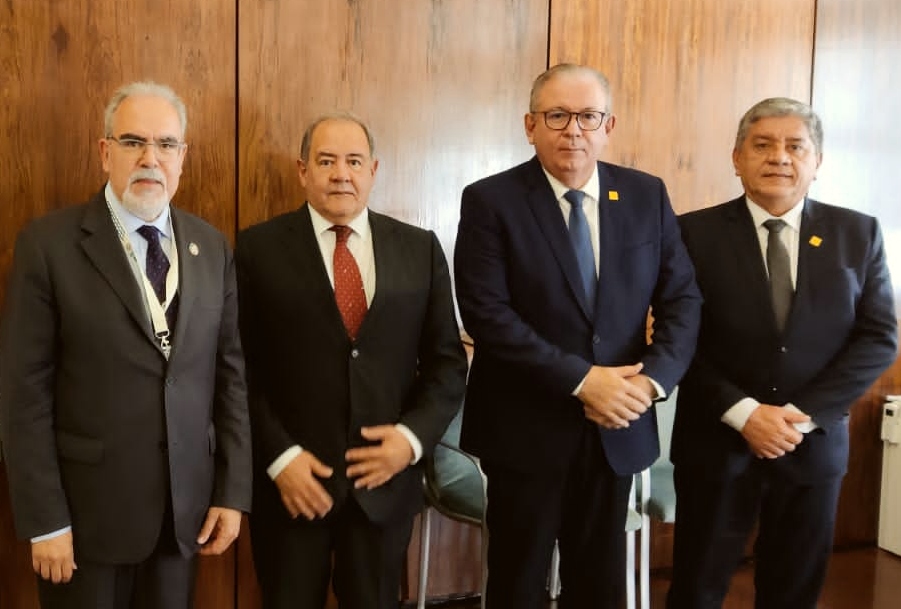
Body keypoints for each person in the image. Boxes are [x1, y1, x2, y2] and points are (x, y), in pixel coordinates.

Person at [454, 63, 702, 609]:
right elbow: (487, 314)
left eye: (588, 116)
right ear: (530, 124)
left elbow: (683, 300)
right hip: (525, 430)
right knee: (518, 582)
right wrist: (584, 381)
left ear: (608, 125)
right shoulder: (491, 201)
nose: (574, 130)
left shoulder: (645, 195)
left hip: (618, 427)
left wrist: (651, 385)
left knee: (600, 585)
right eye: (557, 115)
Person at [0, 81, 252, 609]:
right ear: (104, 151)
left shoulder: (210, 247)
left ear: (183, 157)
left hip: (181, 521)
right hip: (84, 525)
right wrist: (45, 520)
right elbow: (23, 396)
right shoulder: (49, 247)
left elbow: (229, 378)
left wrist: (231, 493)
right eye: (134, 141)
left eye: (165, 144)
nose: (149, 158)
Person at [666, 97, 898, 609]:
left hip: (810, 445)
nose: (780, 157)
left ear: (817, 161)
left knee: (794, 591)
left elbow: (879, 336)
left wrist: (802, 416)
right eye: (763, 144)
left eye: (797, 146)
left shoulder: (857, 233)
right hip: (717, 442)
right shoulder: (689, 233)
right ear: (736, 157)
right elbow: (676, 338)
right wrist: (745, 413)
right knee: (696, 590)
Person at [235, 112, 467, 609]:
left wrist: (409, 442)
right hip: (292, 488)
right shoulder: (257, 249)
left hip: (384, 488)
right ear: (303, 170)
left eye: (354, 161)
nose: (342, 173)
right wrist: (279, 458)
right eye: (326, 161)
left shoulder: (420, 249)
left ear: (373, 169)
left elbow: (448, 366)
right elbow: (238, 369)